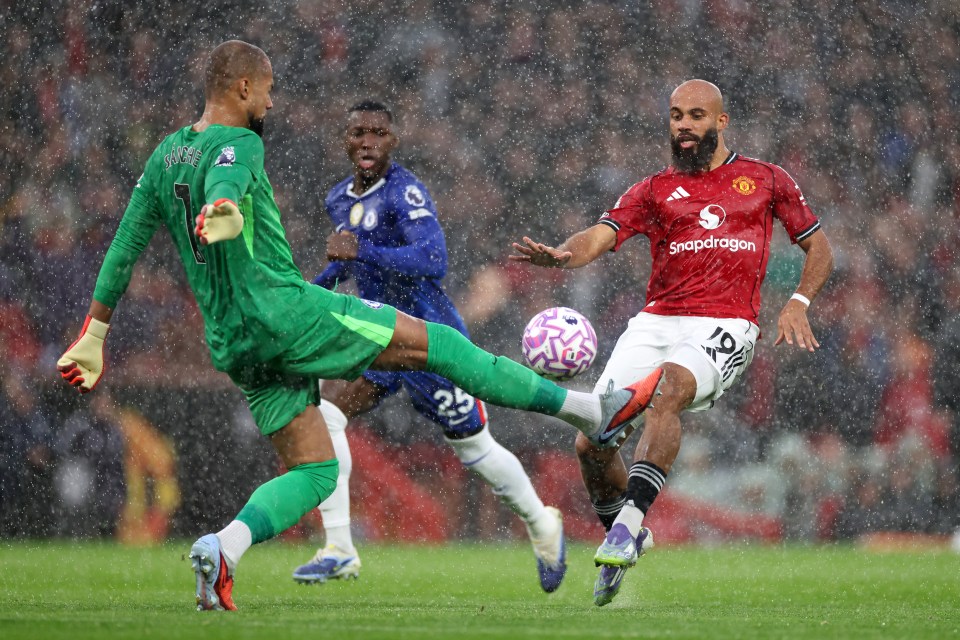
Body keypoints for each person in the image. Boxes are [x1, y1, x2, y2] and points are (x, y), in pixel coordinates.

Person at [55, 40, 663, 611]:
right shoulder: (241, 144)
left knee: (316, 469)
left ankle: (224, 548)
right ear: (242, 88)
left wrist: (95, 333)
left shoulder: (165, 154)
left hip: (234, 342)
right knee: (444, 345)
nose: (270, 103)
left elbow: (126, 242)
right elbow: (227, 185)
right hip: (287, 316)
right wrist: (224, 210)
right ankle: (587, 411)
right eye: (266, 91)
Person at [511, 79, 833, 606]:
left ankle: (628, 523)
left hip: (725, 324)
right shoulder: (655, 189)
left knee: (670, 388)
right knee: (591, 441)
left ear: (721, 122)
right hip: (657, 321)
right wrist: (565, 255)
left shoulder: (766, 180)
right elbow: (602, 233)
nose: (684, 125)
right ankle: (625, 528)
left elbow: (818, 247)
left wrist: (798, 301)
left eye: (697, 116)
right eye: (677, 115)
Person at [291, 100, 567, 593]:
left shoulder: (406, 191)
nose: (368, 141)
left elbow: (433, 259)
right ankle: (339, 546)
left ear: (392, 141)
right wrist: (306, 294)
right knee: (326, 415)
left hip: (430, 341)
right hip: (379, 337)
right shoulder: (338, 198)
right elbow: (345, 265)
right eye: (359, 132)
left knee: (475, 450)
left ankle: (542, 523)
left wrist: (365, 250)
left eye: (379, 132)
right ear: (345, 140)